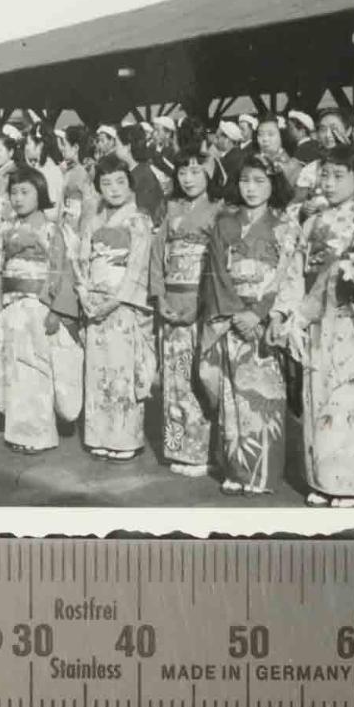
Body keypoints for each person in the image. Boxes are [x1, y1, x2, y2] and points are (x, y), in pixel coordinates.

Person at [275, 145, 354, 508]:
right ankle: (323, 478)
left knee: (349, 400)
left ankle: (351, 481)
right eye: (324, 175)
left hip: (351, 320)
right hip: (317, 321)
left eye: (338, 176)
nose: (328, 184)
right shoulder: (313, 221)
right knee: (318, 398)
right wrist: (288, 313)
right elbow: (296, 269)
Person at [197, 154, 300, 496]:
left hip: (263, 320)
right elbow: (217, 273)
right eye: (245, 181)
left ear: (273, 184)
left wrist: (260, 313)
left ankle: (262, 473)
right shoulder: (224, 223)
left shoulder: (284, 226)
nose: (251, 188)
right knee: (231, 395)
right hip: (231, 317)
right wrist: (234, 312)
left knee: (263, 396)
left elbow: (286, 275)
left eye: (259, 181)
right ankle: (235, 468)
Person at [0, 166, 82, 453]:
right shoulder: (6, 228)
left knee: (37, 368)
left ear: (40, 193)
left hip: (39, 304)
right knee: (15, 368)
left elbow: (61, 269)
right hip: (11, 302)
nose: (18, 199)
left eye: (25, 192)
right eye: (13, 193)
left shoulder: (52, 228)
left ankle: (40, 434)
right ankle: (18, 431)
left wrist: (56, 308)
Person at [76, 155, 156, 462]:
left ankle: (124, 439)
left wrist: (116, 299)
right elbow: (82, 261)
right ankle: (98, 434)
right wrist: (85, 293)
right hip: (95, 302)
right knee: (96, 371)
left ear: (131, 185)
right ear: (98, 187)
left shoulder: (139, 221)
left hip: (122, 304)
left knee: (123, 371)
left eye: (120, 182)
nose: (113, 189)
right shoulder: (93, 222)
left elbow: (138, 267)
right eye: (106, 183)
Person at [152, 147, 221, 477]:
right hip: (172, 298)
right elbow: (157, 255)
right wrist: (159, 294)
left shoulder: (219, 210)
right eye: (182, 173)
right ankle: (178, 447)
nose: (189, 179)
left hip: (201, 300)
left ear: (209, 173)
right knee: (174, 377)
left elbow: (218, 262)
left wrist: (201, 302)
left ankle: (203, 452)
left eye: (195, 171)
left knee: (199, 375)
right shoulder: (172, 208)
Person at [115, 124, 166, 226]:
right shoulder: (133, 170)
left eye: (117, 145)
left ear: (127, 147)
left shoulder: (143, 175)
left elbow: (144, 212)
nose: (115, 149)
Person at [57, 124, 96, 234]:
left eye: (64, 144)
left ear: (75, 148)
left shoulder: (79, 172)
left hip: (75, 226)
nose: (62, 148)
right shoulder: (77, 169)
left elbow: (87, 206)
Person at [24, 123, 65, 221]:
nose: (26, 148)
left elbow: (52, 211)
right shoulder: (42, 168)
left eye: (28, 143)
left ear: (40, 145)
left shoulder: (49, 171)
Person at [255, 117, 304, 190]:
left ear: (281, 136)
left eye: (270, 134)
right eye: (260, 134)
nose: (265, 139)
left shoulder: (294, 166)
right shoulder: (253, 161)